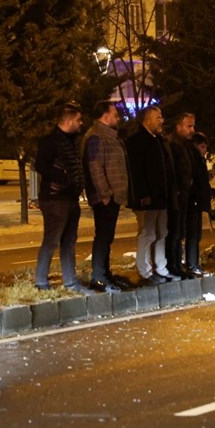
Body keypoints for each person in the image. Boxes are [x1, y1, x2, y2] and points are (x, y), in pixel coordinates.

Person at [34, 101, 93, 294]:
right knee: (52, 239)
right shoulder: (50, 141)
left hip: (69, 197)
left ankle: (70, 281)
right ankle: (41, 282)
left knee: (69, 240)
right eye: (78, 119)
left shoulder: (72, 140)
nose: (81, 123)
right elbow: (41, 165)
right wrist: (64, 178)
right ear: (67, 121)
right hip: (55, 198)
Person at [126, 106, 179, 284]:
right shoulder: (137, 141)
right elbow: (136, 172)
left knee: (161, 232)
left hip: (160, 197)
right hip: (148, 199)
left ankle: (160, 268)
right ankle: (144, 270)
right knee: (147, 234)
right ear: (147, 120)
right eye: (158, 117)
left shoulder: (157, 140)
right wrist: (143, 194)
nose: (162, 121)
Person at [82, 100, 129, 293]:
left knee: (107, 237)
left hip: (112, 196)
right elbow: (95, 168)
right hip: (105, 197)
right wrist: (105, 194)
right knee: (102, 236)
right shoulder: (96, 137)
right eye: (115, 114)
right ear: (105, 116)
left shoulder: (108, 136)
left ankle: (105, 274)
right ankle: (99, 276)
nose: (117, 118)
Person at [164, 113, 196, 278]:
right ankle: (173, 265)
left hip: (183, 195)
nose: (192, 130)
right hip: (176, 196)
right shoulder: (173, 145)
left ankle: (178, 265)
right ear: (178, 127)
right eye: (189, 126)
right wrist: (177, 191)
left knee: (179, 232)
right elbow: (173, 172)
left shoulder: (185, 145)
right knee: (174, 233)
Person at [184, 132, 212, 277]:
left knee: (196, 235)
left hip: (196, 201)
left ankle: (194, 263)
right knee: (192, 235)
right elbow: (195, 182)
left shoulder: (198, 159)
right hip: (192, 202)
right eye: (202, 146)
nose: (205, 149)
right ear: (196, 145)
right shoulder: (193, 159)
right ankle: (192, 264)